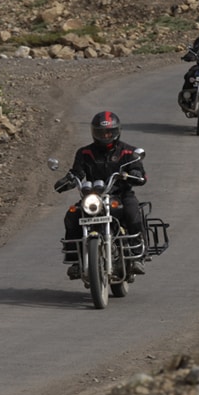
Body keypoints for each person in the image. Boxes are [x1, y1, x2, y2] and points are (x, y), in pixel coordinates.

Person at [54, 111, 147, 279]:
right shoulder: (84, 153)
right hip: (94, 197)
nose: (105, 135)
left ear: (116, 131)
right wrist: (67, 180)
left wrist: (135, 173)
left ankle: (136, 256)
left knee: (133, 213)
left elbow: (140, 172)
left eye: (109, 132)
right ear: (94, 132)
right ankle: (76, 260)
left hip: (120, 193)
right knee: (72, 216)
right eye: (101, 132)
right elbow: (77, 172)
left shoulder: (128, 152)